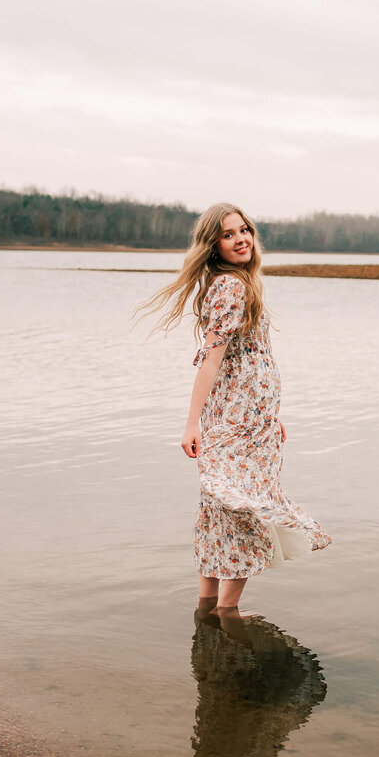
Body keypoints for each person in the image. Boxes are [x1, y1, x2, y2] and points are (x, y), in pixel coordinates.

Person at [139, 202, 330, 614]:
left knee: (219, 510)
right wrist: (191, 423)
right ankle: (227, 615)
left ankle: (208, 610)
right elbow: (211, 360)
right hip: (237, 427)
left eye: (244, 230)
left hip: (247, 421)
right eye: (228, 234)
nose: (241, 238)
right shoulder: (232, 287)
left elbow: (244, 360)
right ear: (213, 246)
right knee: (242, 511)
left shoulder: (237, 284)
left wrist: (269, 414)